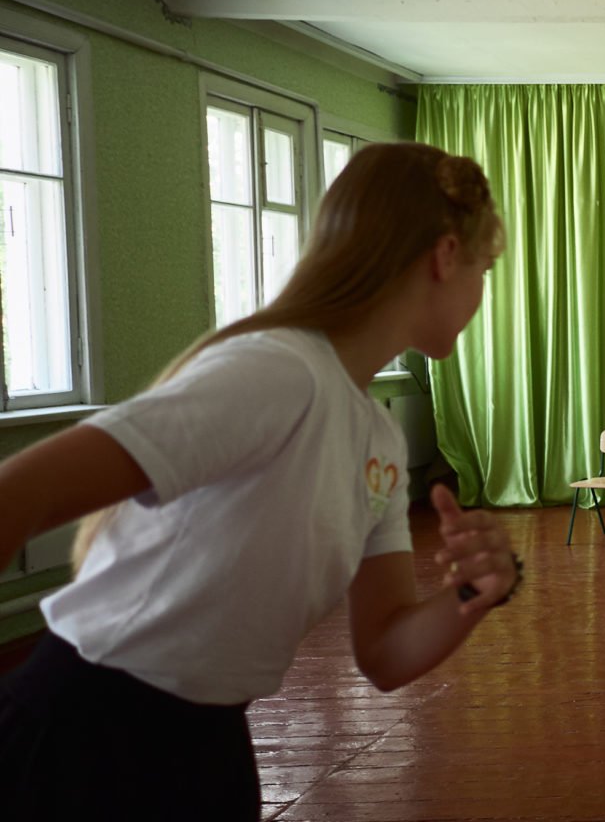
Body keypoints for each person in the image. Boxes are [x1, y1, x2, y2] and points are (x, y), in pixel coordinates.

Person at [0, 142, 522, 821]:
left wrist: (473, 592)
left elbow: (386, 651)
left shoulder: (377, 437)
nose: (482, 290)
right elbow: (20, 491)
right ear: (446, 255)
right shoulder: (280, 372)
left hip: (208, 738)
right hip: (86, 731)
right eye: (485, 268)